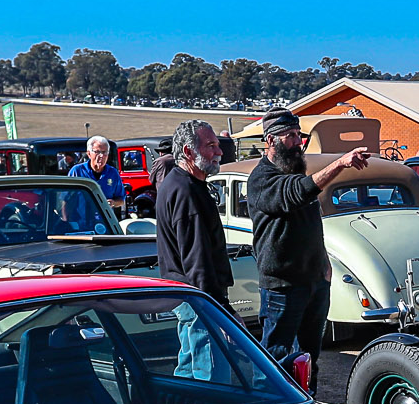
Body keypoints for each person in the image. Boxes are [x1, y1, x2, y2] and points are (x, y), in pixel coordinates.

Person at [248, 110, 369, 384]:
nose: (297, 143)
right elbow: (297, 192)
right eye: (289, 136)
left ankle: (307, 400)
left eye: (298, 136)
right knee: (275, 354)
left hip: (314, 281)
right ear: (270, 141)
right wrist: (340, 164)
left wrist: (325, 265)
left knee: (309, 356)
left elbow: (312, 222)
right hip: (283, 285)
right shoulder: (262, 178)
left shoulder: (295, 172)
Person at [157, 119, 234, 378]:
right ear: (189, 152)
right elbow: (197, 261)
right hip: (198, 301)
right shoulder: (185, 190)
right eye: (211, 145)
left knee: (190, 373)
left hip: (190, 298)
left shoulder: (183, 184)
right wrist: (221, 311)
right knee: (211, 378)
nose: (219, 151)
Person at [68, 136, 126, 209]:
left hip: (105, 219)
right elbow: (66, 199)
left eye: (104, 152)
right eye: (97, 152)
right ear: (89, 154)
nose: (101, 156)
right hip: (81, 219)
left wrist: (113, 203)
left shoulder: (113, 173)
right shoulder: (77, 171)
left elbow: (121, 199)